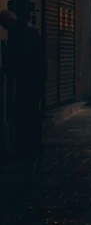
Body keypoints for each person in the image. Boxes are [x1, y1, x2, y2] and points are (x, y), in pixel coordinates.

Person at [0, 10, 47, 161]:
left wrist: (10, 66)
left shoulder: (23, 32)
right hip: (34, 77)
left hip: (31, 78)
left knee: (29, 109)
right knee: (30, 109)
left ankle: (30, 145)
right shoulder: (27, 30)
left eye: (4, 25)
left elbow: (25, 55)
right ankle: (33, 145)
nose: (4, 29)